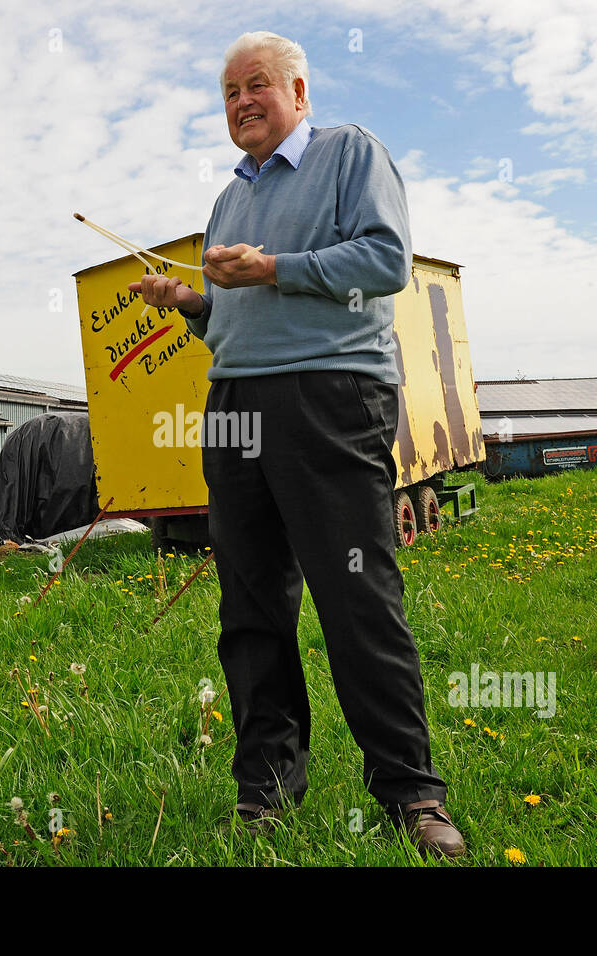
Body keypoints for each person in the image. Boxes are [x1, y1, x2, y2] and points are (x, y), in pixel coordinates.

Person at [129, 31, 465, 860]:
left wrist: (274, 267)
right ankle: (265, 790)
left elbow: (386, 262)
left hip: (331, 393)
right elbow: (230, 316)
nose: (242, 101)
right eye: (229, 92)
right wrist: (191, 301)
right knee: (250, 603)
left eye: (257, 86)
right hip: (235, 402)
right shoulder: (227, 200)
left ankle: (411, 792)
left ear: (298, 91)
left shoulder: (350, 154)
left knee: (357, 599)